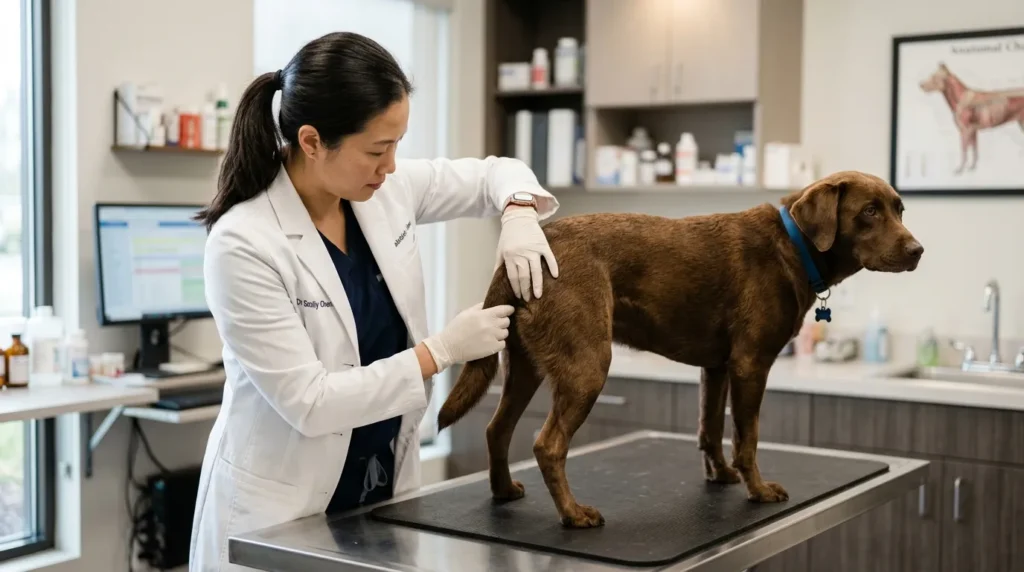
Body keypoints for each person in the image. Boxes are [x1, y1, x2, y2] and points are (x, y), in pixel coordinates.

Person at [187, 31, 560, 571]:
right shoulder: (243, 244)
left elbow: (491, 173)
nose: (390, 166)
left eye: (397, 145)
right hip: (281, 512)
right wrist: (441, 352)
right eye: (377, 149)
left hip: (378, 492)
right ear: (313, 142)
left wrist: (520, 210)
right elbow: (311, 403)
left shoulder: (384, 192)